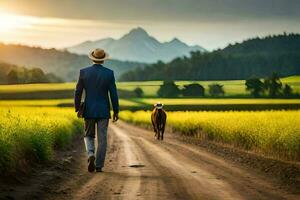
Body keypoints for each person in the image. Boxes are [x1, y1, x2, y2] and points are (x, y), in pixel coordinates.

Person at [74, 48, 119, 173]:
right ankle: (99, 165)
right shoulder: (109, 73)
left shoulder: (84, 72)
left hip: (88, 109)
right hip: (104, 110)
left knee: (88, 135)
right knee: (103, 138)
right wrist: (116, 110)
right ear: (103, 60)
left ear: (92, 58)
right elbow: (113, 94)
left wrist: (77, 107)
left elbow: (78, 91)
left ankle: (90, 154)